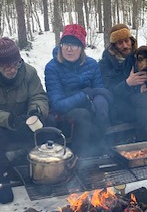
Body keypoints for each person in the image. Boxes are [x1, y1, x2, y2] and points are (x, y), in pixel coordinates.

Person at [0, 37, 50, 204]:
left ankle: (43, 170)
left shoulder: (28, 72)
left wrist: (35, 111)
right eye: (6, 67)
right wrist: (11, 120)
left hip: (24, 120)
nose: (12, 70)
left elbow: (38, 96)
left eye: (15, 64)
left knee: (50, 123)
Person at [45, 24, 112, 156]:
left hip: (90, 108)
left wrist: (100, 102)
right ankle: (78, 158)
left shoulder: (92, 64)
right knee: (82, 115)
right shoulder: (52, 67)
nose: (69, 49)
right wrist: (84, 95)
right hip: (64, 116)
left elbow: (99, 89)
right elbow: (58, 104)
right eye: (66, 44)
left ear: (82, 48)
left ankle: (99, 150)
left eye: (74, 45)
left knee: (101, 104)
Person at [100, 23, 147, 141]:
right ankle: (143, 140)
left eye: (126, 41)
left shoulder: (139, 56)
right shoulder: (106, 63)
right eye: (120, 43)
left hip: (143, 105)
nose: (125, 46)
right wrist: (127, 83)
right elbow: (108, 90)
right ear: (114, 46)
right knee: (146, 98)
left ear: (131, 40)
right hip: (120, 106)